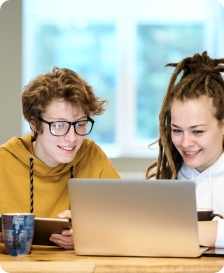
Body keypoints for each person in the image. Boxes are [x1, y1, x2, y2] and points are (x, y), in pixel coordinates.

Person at [0, 67, 120, 249]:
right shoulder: (4, 162)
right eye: (58, 125)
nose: (72, 138)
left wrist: (89, 236)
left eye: (80, 124)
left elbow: (125, 223)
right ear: (34, 122)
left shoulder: (93, 157)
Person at [146, 51, 224, 248]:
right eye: (177, 130)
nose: (186, 143)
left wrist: (175, 231)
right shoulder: (166, 178)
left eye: (197, 131)